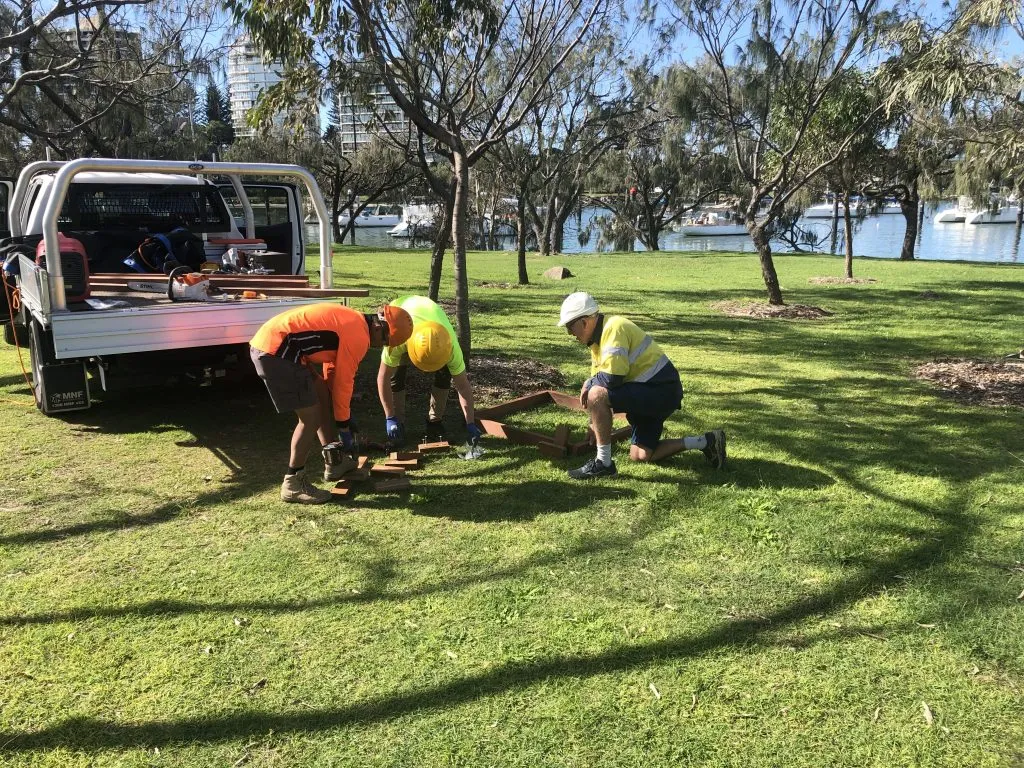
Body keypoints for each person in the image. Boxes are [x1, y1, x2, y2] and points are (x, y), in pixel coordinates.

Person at [250, 302, 413, 504]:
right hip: (277, 352)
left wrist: (341, 411)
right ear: (380, 326)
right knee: (310, 419)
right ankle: (293, 483)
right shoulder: (359, 336)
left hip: (282, 348)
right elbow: (345, 382)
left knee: (322, 395)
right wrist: (343, 424)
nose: (381, 346)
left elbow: (333, 370)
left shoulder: (355, 321)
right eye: (384, 341)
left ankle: (334, 462)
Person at [557, 291, 726, 480]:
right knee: (641, 455)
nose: (570, 333)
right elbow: (601, 380)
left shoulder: (614, 328)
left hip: (661, 391)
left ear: (584, 322)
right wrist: (594, 423)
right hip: (652, 392)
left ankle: (603, 464)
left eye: (570, 327)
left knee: (596, 393)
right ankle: (707, 441)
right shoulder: (596, 343)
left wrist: (589, 383)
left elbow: (611, 380)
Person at [376, 295, 482, 448]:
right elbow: (383, 377)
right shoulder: (398, 336)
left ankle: (435, 422)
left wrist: (470, 423)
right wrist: (390, 418)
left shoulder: (450, 346)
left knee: (444, 377)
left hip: (431, 316)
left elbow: (463, 386)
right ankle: (398, 424)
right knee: (395, 376)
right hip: (402, 310)